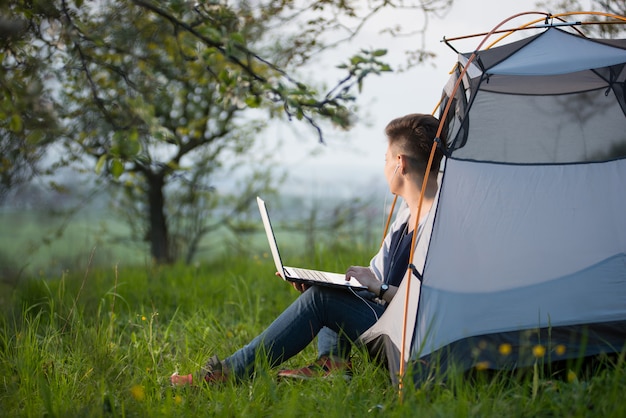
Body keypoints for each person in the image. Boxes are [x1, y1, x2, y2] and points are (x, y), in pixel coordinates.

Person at [171, 113, 445, 385]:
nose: (384, 167)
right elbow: (377, 280)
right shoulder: (406, 216)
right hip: (392, 323)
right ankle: (332, 365)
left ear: (401, 163)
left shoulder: (440, 227)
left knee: (323, 300)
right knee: (333, 289)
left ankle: (225, 375)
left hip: (415, 341)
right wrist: (332, 281)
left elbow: (432, 305)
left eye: (386, 159)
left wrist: (378, 288)